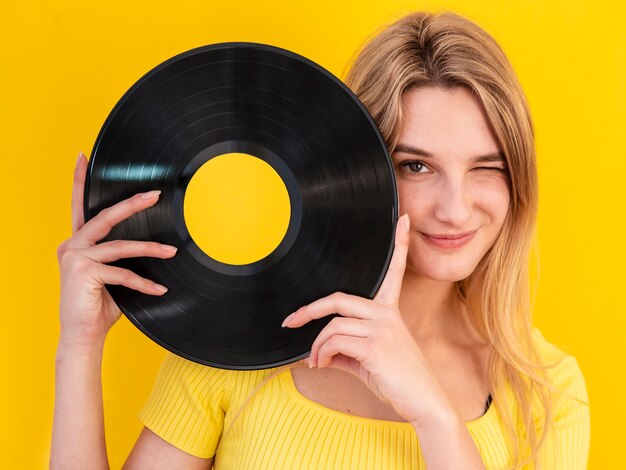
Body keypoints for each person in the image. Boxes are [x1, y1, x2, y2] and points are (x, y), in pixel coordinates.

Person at [50, 11, 590, 470]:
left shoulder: (548, 392)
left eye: (485, 167)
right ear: (358, 165)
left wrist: (434, 415)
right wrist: (80, 344)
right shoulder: (241, 341)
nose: (454, 208)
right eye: (417, 165)